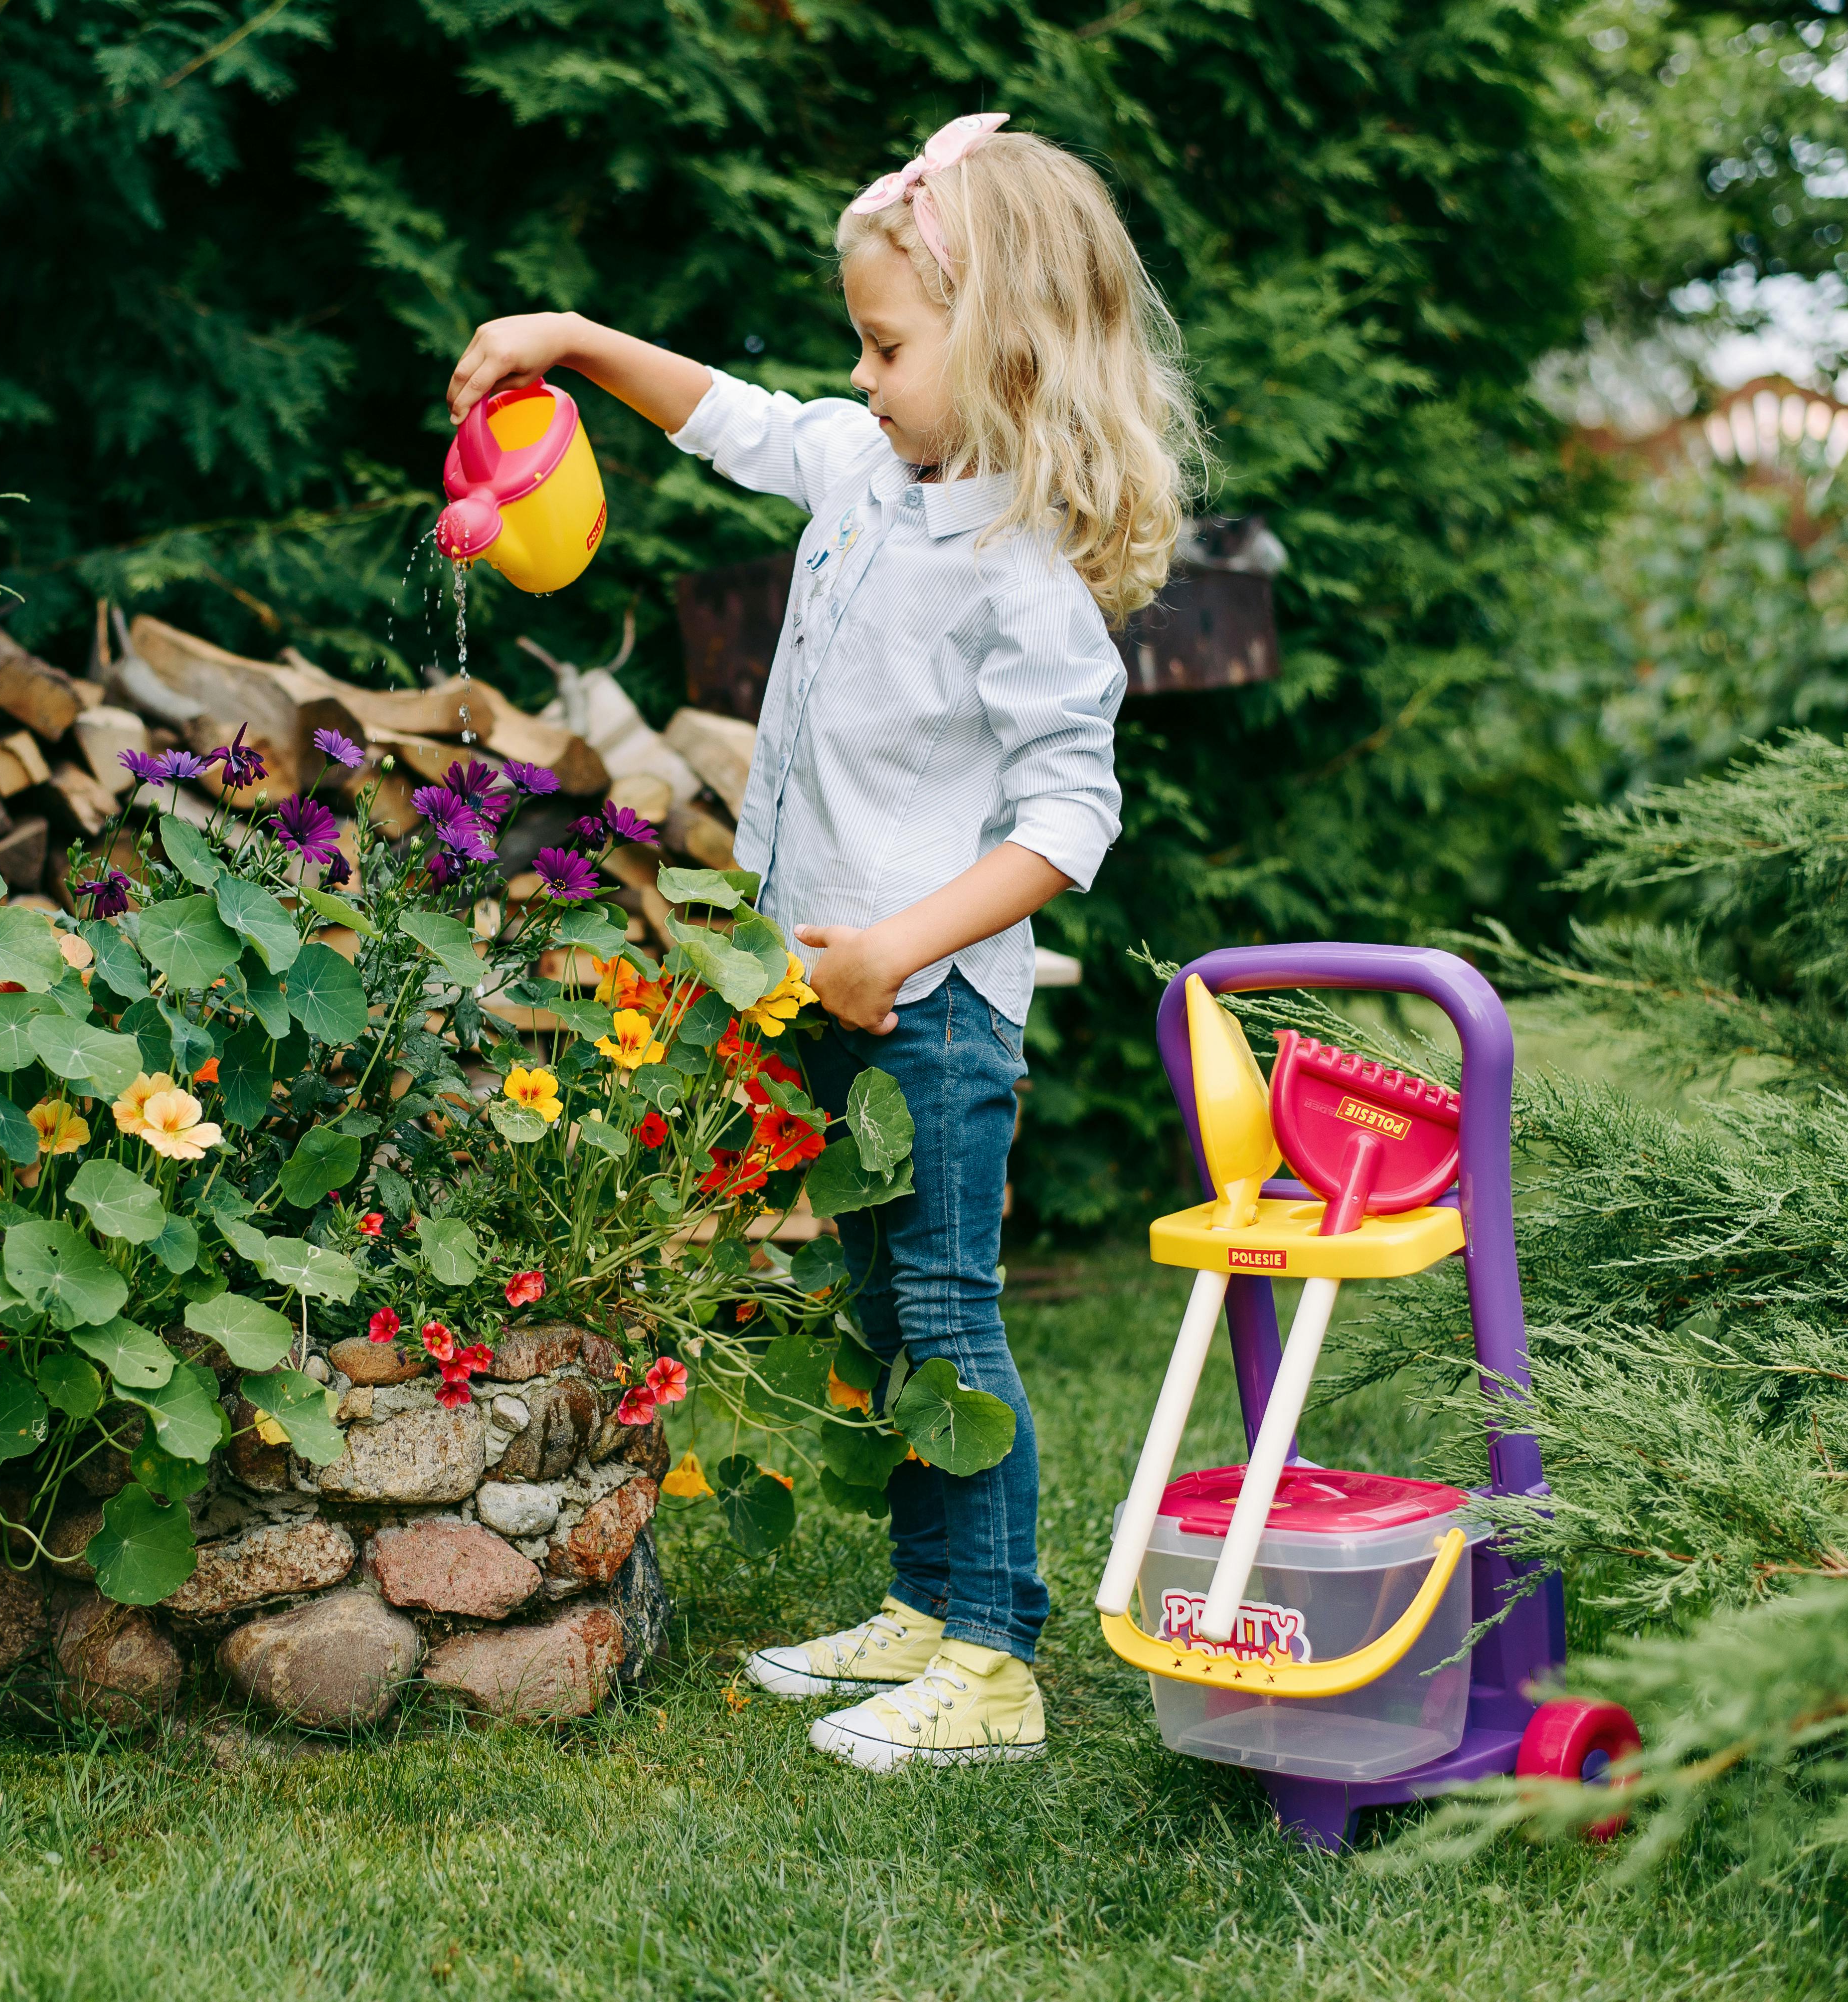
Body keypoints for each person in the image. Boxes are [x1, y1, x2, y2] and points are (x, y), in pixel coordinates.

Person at [446, 113, 1195, 1769]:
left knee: (945, 1312)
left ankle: (996, 1660)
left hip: (929, 1011)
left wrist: (900, 953)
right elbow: (726, 417)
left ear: (1000, 348)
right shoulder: (868, 469)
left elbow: (1072, 821)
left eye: (887, 345)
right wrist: (566, 340)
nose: (860, 378)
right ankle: (928, 1608)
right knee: (880, 1310)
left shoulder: (1025, 572)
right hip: (831, 982)